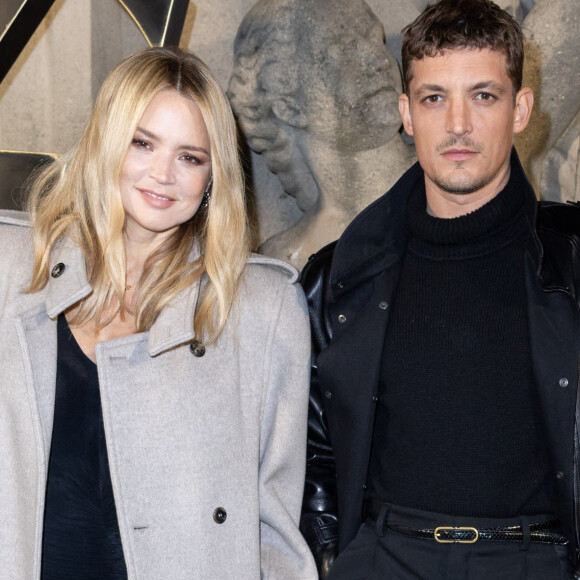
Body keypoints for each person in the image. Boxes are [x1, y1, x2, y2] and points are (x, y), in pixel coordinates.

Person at [0, 46, 317, 579]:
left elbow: (275, 527)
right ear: (105, 141)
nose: (163, 175)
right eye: (142, 143)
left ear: (214, 175)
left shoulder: (262, 309)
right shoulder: (12, 269)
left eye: (190, 156)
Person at [300, 0, 579, 578]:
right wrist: (332, 556)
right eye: (433, 98)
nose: (457, 124)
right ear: (406, 112)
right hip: (382, 558)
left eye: (483, 95)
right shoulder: (338, 276)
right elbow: (313, 445)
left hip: (534, 561)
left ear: (521, 108)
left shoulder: (572, 262)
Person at [228, 0, 414, 267]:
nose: (376, 59)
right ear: (288, 105)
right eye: (339, 49)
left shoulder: (459, 180)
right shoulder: (285, 264)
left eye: (375, 38)